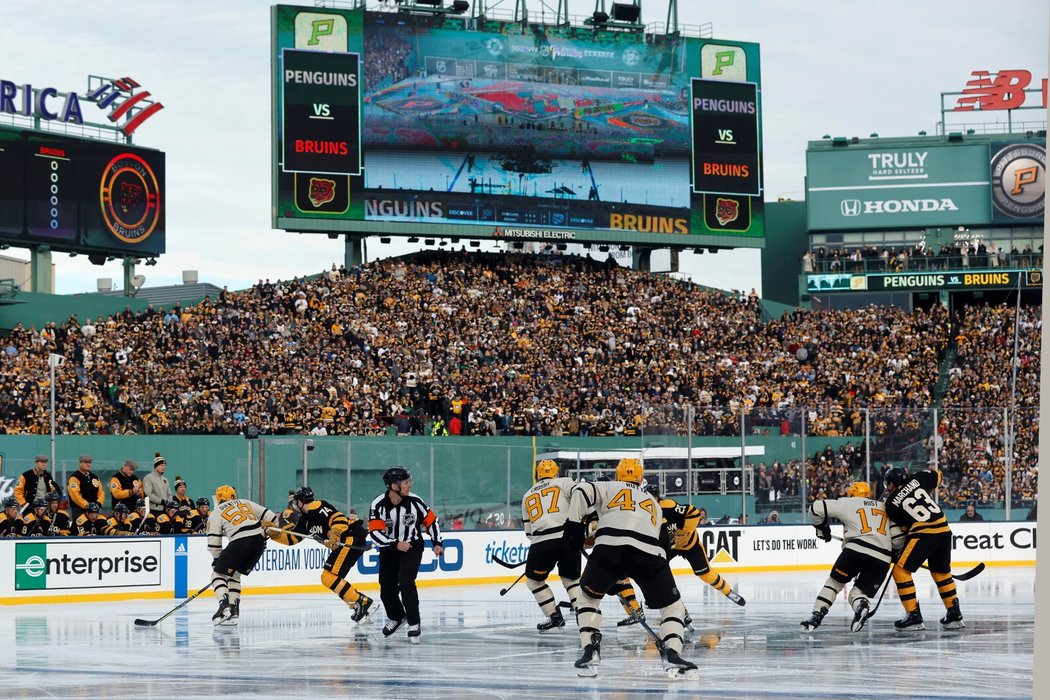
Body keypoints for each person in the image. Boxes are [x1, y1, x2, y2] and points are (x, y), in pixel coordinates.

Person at [562, 458, 697, 679]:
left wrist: (573, 528)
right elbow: (654, 541)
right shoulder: (653, 503)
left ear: (617, 476)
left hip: (608, 550)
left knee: (587, 599)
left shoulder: (608, 486)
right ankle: (672, 652)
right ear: (640, 479)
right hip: (650, 553)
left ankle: (590, 649)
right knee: (674, 608)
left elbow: (581, 491)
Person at [802, 481, 902, 633]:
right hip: (882, 558)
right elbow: (897, 537)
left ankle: (816, 616)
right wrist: (893, 553)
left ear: (852, 494)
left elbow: (816, 509)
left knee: (834, 584)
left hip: (855, 551)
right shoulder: (883, 506)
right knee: (858, 593)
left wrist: (823, 529)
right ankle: (861, 606)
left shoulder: (848, 503)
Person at [269, 486, 375, 625]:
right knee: (332, 578)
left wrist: (335, 532)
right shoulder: (305, 520)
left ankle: (361, 601)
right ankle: (358, 605)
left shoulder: (317, 506)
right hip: (347, 541)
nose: (295, 505)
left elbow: (339, 518)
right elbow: (292, 540)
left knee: (328, 577)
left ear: (301, 502)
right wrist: (275, 535)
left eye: (296, 502)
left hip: (350, 537)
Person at [368, 466, 444, 643]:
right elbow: (375, 533)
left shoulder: (415, 501)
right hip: (390, 549)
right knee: (386, 587)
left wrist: (437, 542)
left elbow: (431, 521)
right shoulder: (378, 504)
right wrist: (394, 544)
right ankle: (396, 616)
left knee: (406, 582)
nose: (409, 485)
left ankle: (414, 623)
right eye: (406, 482)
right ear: (394, 486)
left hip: (412, 547)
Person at [883, 466, 964, 631]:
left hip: (923, 534)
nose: (888, 488)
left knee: (900, 571)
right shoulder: (919, 478)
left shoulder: (890, 503)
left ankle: (913, 616)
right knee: (941, 573)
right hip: (944, 531)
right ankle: (954, 614)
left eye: (889, 484)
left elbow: (905, 530)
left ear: (892, 482)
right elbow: (938, 475)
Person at [646, 481, 745, 611]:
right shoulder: (646, 512)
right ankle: (669, 604)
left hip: (690, 545)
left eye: (651, 497)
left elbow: (694, 513)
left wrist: (684, 532)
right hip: (670, 547)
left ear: (657, 497)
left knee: (706, 574)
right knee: (656, 571)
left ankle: (728, 592)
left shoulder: (668, 506)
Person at [521, 459, 582, 631]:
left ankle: (554, 616)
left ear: (538, 474)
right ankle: (583, 615)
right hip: (568, 538)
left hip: (541, 543)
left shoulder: (527, 495)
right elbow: (581, 495)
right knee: (571, 580)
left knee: (534, 581)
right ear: (555, 472)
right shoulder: (564, 482)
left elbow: (529, 533)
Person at [207, 484, 277, 626]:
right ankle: (234, 613)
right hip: (259, 541)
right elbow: (272, 517)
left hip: (240, 541)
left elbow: (214, 542)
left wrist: (217, 560)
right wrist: (269, 526)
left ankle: (224, 605)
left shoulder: (215, 512)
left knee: (217, 575)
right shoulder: (245, 502)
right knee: (235, 575)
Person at [67, 455, 105, 523]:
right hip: (79, 510)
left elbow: (101, 492)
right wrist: (87, 505)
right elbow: (75, 495)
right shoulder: (75, 477)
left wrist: (98, 503)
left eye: (89, 462)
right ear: (80, 463)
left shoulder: (94, 477)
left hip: (94, 510)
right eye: (85, 462)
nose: (88, 464)